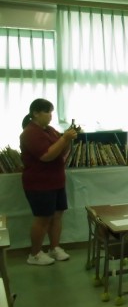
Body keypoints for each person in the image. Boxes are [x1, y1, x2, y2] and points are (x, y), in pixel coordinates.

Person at [20, 98, 78, 266]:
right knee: (43, 218)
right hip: (39, 183)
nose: (50, 116)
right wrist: (64, 138)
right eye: (47, 112)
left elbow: (61, 151)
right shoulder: (30, 133)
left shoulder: (50, 130)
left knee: (57, 215)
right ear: (35, 113)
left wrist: (67, 139)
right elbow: (46, 156)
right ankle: (35, 254)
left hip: (56, 181)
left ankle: (54, 248)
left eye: (51, 112)